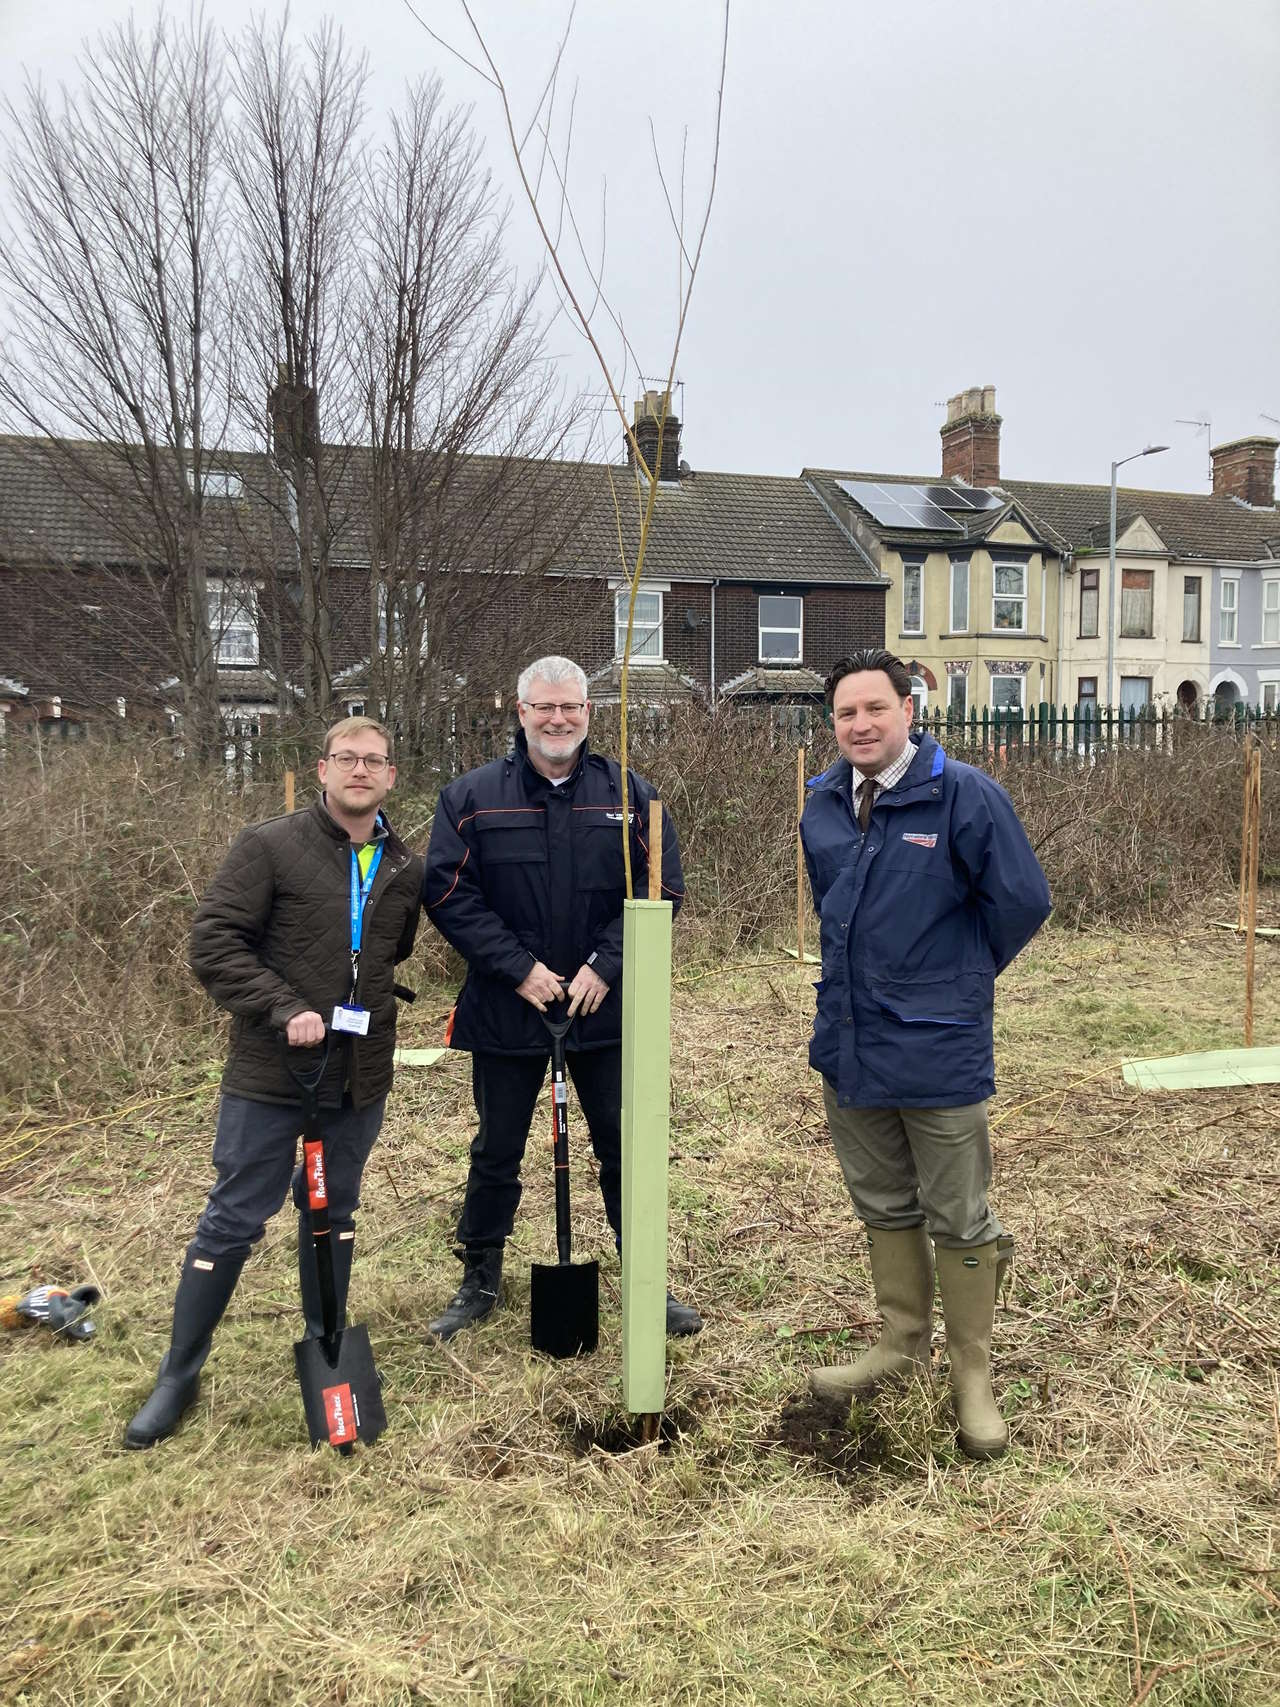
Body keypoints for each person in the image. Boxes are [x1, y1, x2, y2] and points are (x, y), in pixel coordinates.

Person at [123, 716, 423, 1449]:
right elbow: (213, 941)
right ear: (322, 769)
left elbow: (392, 950)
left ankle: (327, 1346)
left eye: (374, 761)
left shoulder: (402, 862)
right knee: (234, 1215)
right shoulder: (269, 845)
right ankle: (179, 1373)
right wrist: (284, 1005)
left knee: (333, 1206)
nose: (360, 770)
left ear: (390, 775)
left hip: (359, 1072)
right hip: (272, 1069)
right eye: (346, 759)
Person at [800, 649, 1050, 1460]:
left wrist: (954, 980)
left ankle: (971, 1371)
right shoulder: (823, 802)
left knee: (960, 1211)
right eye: (846, 713)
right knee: (882, 1199)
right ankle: (901, 1339)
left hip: (939, 1048)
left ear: (909, 708)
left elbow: (1020, 902)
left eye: (875, 708)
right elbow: (835, 909)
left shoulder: (964, 796)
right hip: (851, 1043)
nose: (860, 725)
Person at [422, 654, 702, 1340]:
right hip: (508, 1008)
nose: (558, 719)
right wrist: (520, 969)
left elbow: (661, 886)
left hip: (602, 1009)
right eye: (544, 707)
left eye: (571, 707)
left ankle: (644, 1276)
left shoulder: (629, 792)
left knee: (621, 1144)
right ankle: (479, 1275)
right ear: (520, 713)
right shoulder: (473, 797)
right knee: (497, 1147)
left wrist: (606, 965)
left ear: (588, 714)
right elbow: (449, 894)